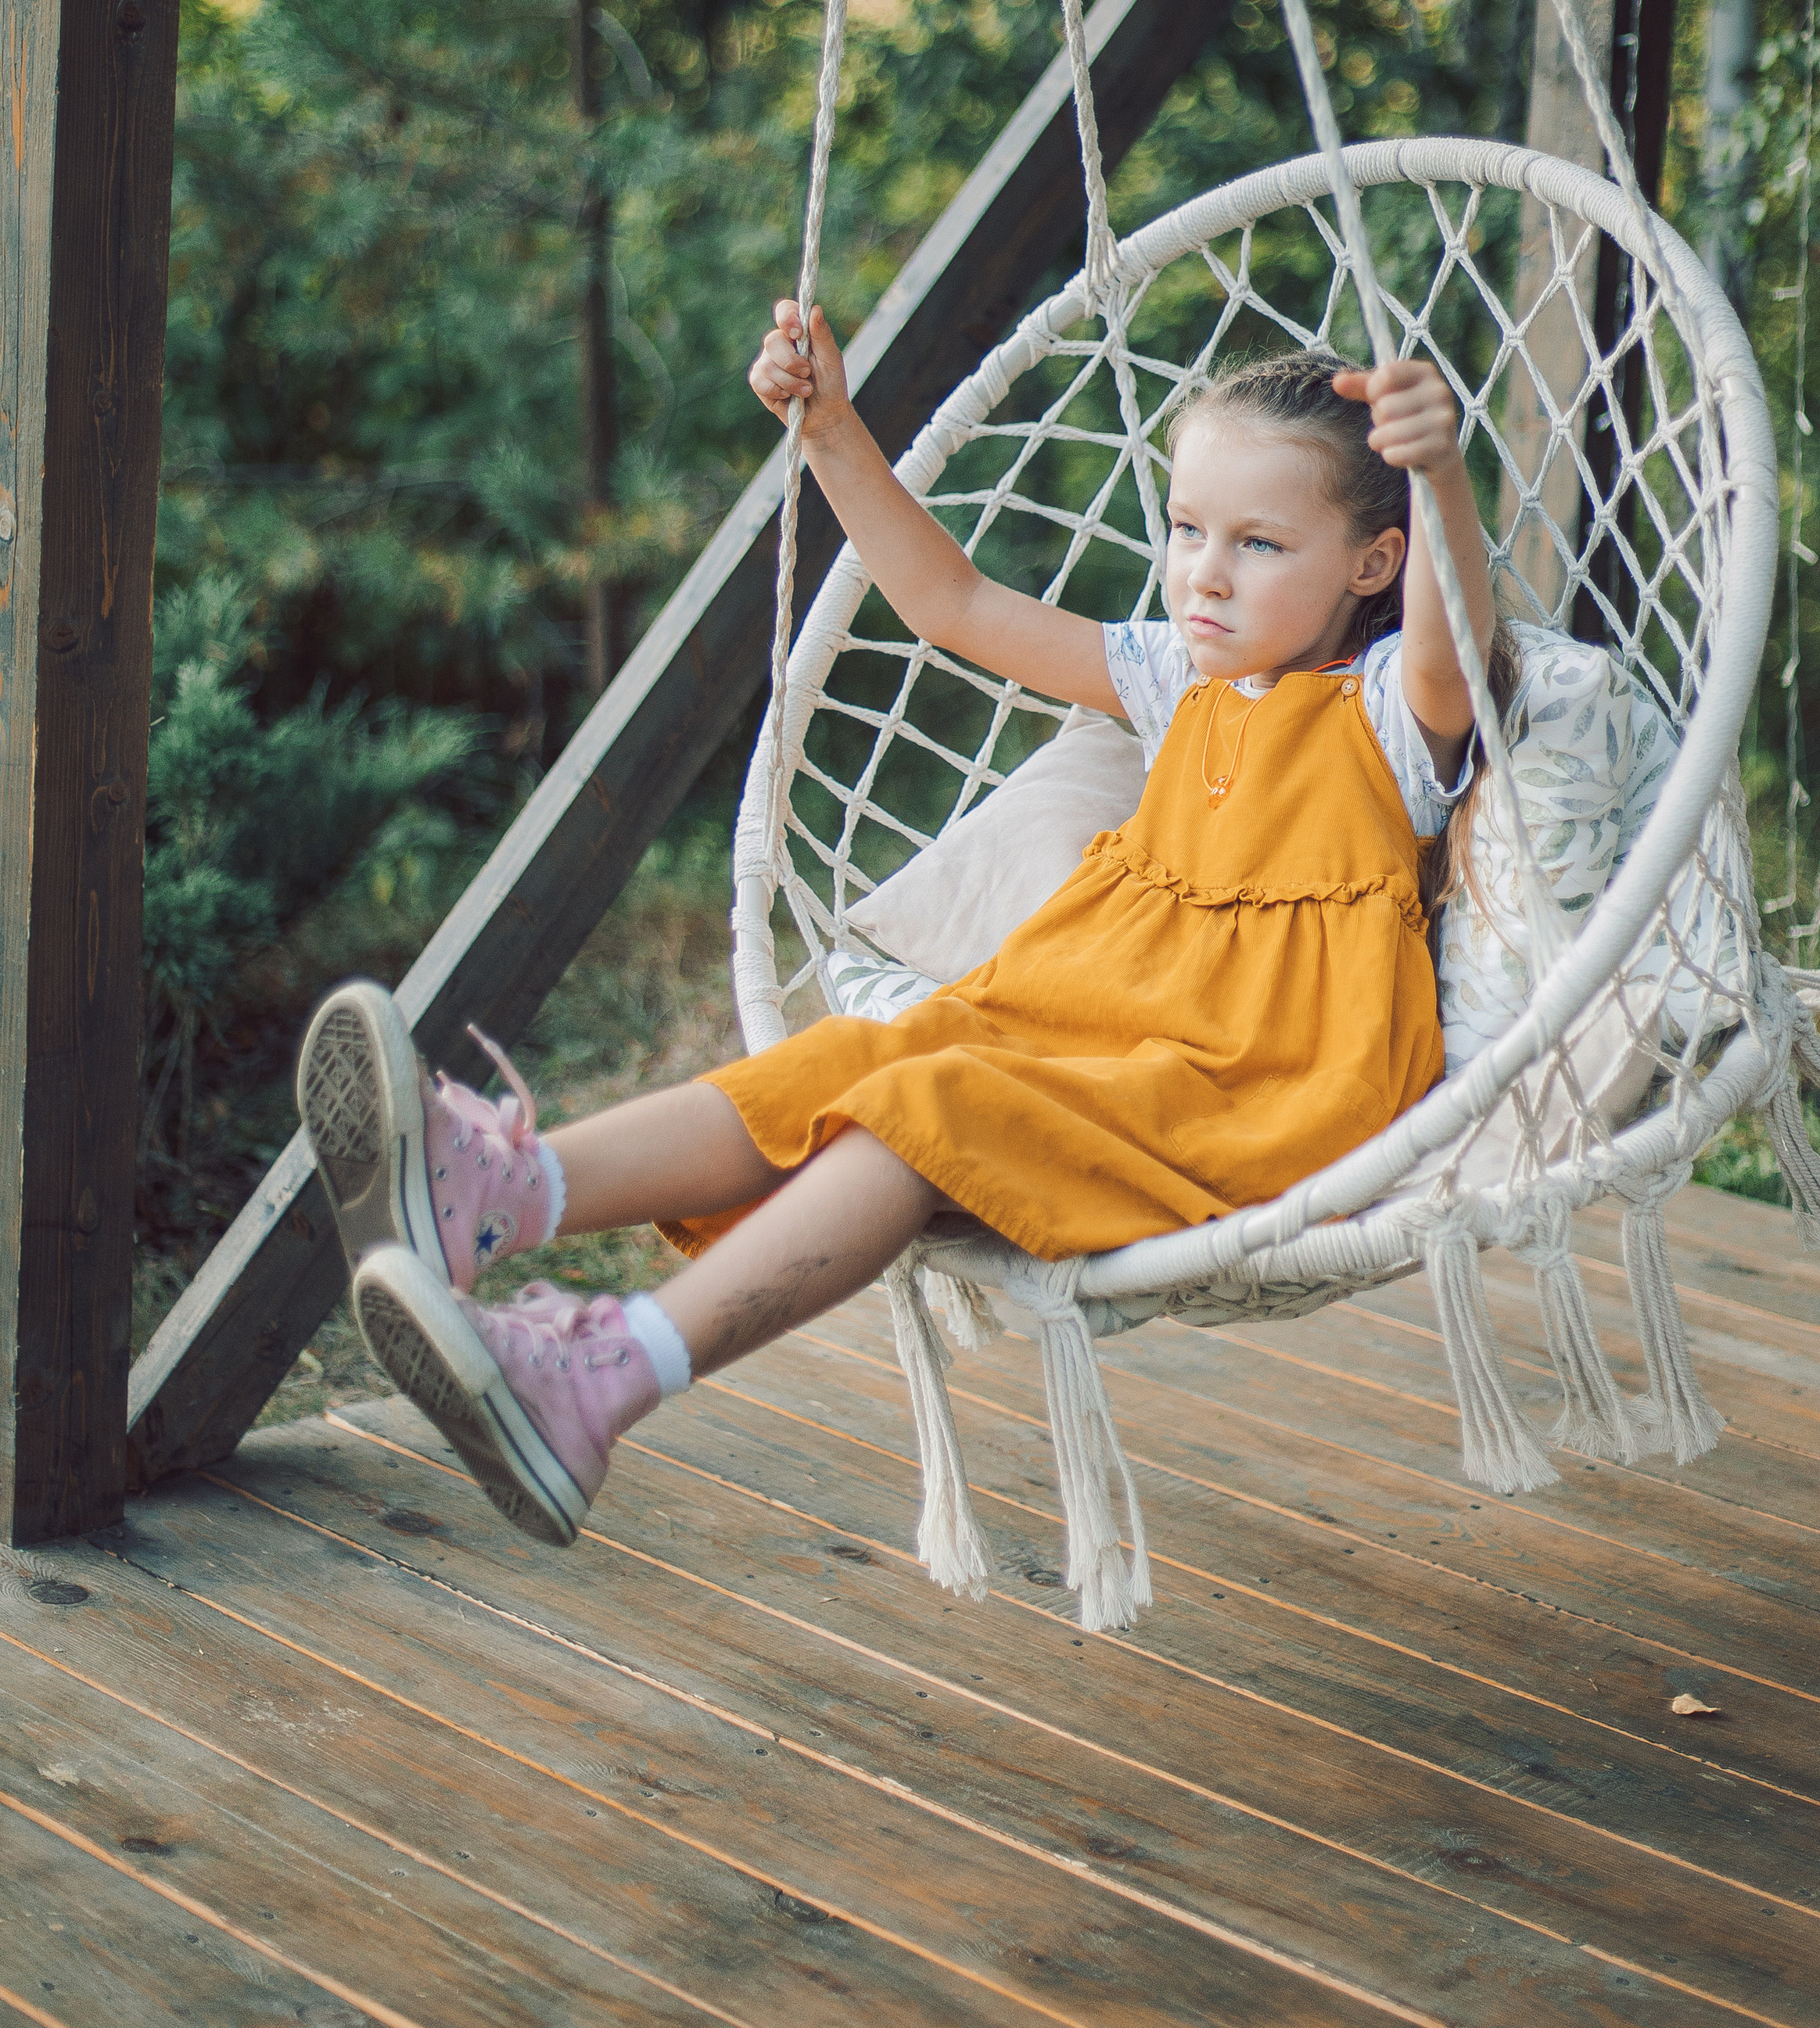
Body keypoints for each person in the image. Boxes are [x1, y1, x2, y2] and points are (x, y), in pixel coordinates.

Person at [305, 302, 1499, 1548]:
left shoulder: (1385, 712)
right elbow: (957, 604)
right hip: (1094, 1017)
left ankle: (601, 1381)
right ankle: (502, 1190)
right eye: (1189, 529)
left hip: (1256, 1074)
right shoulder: (1174, 676)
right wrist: (830, 431)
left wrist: (1442, 482)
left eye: (1259, 543)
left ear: (1373, 563)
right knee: (844, 1059)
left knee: (921, 1117)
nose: (1204, 569)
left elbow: (1454, 645)